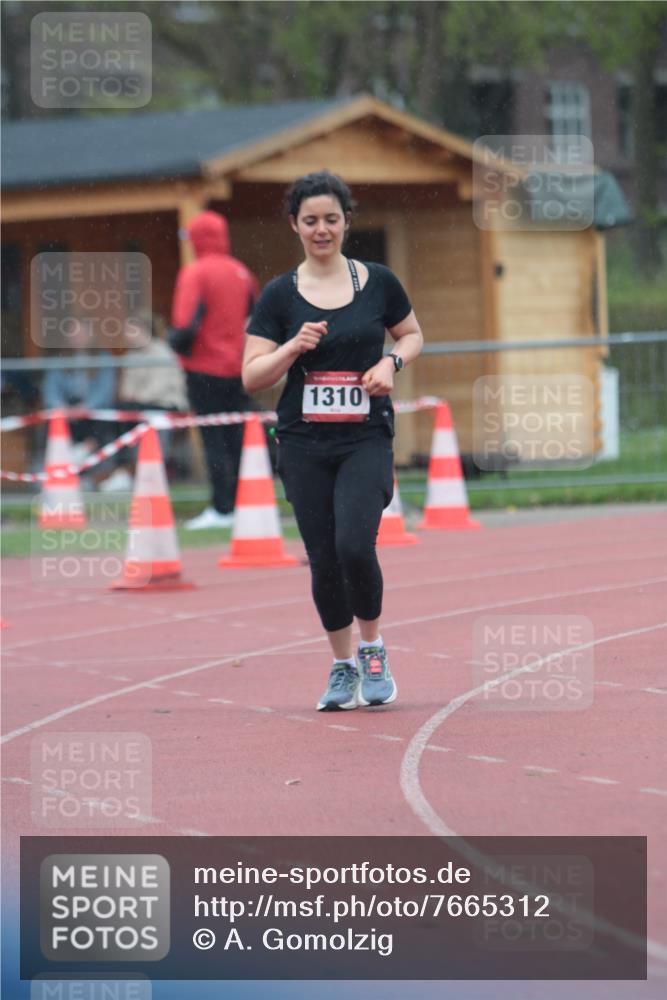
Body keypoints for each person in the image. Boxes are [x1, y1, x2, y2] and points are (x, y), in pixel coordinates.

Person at [242, 171, 424, 711]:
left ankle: (373, 649)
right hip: (303, 442)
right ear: (295, 226)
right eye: (310, 220)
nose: (322, 229)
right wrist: (292, 347)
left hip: (364, 437)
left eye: (331, 219)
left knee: (354, 545)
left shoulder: (378, 282)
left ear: (346, 222)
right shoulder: (279, 295)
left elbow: (412, 335)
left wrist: (390, 363)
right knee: (323, 558)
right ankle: (342, 665)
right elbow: (252, 376)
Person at [171, 210, 259, 529]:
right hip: (239, 368)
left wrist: (176, 347)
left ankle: (222, 509)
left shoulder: (195, 273)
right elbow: (255, 320)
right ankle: (241, 502)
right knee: (237, 438)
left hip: (204, 369)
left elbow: (184, 326)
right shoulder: (242, 272)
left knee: (214, 439)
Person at [99, 310, 188, 492]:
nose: (125, 334)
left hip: (165, 404)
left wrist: (137, 399)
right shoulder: (131, 356)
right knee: (117, 414)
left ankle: (134, 472)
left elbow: (160, 387)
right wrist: (132, 398)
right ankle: (123, 470)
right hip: (138, 406)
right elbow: (126, 388)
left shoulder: (162, 352)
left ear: (142, 330)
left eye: (130, 329)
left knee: (132, 414)